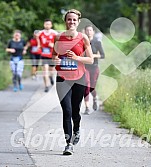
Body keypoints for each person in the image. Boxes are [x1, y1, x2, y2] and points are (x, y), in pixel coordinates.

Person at [52, 9, 93, 155]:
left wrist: (76, 58)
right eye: (69, 19)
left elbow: (90, 59)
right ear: (65, 21)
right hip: (62, 78)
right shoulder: (58, 38)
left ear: (78, 22)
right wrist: (55, 60)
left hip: (79, 78)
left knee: (75, 111)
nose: (71, 22)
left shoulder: (83, 38)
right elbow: (54, 56)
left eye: (74, 20)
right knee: (67, 111)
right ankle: (68, 144)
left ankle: (77, 128)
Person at [83, 25, 105, 114]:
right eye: (87, 30)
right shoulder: (82, 42)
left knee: (92, 88)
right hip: (85, 67)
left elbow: (103, 55)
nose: (88, 32)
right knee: (86, 86)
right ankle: (87, 107)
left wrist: (93, 56)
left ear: (93, 32)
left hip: (94, 67)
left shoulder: (97, 42)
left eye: (90, 30)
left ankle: (95, 99)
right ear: (85, 32)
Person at [37, 19, 58, 92]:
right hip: (44, 55)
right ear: (44, 25)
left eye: (49, 24)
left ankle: (51, 77)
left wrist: (53, 45)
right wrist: (39, 46)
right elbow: (38, 42)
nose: (47, 25)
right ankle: (46, 86)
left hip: (52, 55)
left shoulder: (54, 33)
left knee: (51, 70)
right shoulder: (40, 33)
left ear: (51, 25)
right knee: (45, 71)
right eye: (46, 24)